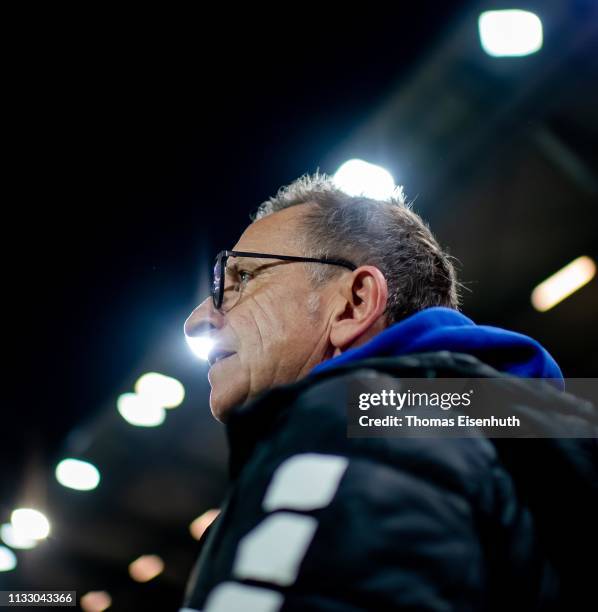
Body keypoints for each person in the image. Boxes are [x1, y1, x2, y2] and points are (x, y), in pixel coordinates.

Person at [182, 173, 596, 611]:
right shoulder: (513, 445)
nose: (197, 321)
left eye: (242, 276)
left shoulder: (351, 422)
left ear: (355, 302)